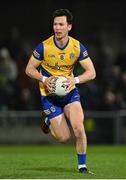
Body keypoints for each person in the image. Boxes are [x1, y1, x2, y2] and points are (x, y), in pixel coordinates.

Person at [25, 9, 96, 174]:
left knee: (79, 128)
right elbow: (29, 69)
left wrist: (75, 80)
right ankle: (47, 121)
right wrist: (44, 79)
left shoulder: (77, 47)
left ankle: (82, 167)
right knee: (64, 138)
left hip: (70, 93)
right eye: (55, 24)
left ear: (69, 27)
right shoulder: (44, 47)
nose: (57, 27)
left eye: (61, 24)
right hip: (49, 97)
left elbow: (91, 72)